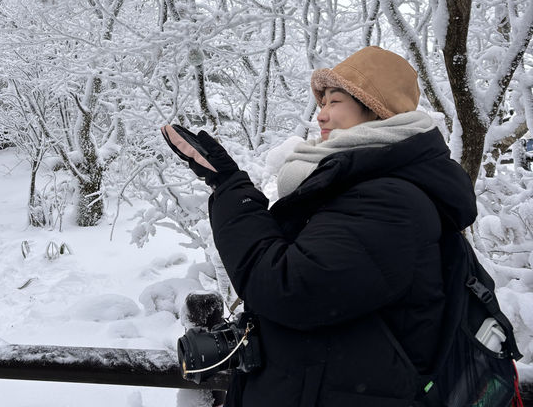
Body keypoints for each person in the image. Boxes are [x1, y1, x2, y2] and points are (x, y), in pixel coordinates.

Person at [162, 46, 477, 407]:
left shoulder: (390, 200)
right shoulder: (360, 185)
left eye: (334, 102)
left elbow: (286, 286)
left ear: (374, 108)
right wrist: (228, 183)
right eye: (321, 103)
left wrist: (232, 189)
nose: (321, 117)